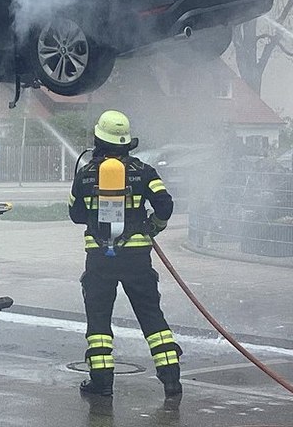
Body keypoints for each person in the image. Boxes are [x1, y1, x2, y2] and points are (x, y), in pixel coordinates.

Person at [69, 110, 181, 399]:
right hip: (137, 259)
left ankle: (102, 382)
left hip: (99, 260)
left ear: (98, 139)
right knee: (151, 316)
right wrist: (153, 226)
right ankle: (171, 379)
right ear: (126, 142)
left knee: (98, 323)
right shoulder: (144, 171)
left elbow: (76, 215)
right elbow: (165, 205)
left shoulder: (85, 174)